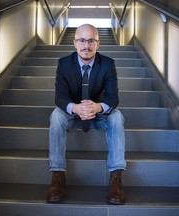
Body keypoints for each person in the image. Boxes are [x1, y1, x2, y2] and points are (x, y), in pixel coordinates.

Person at [46, 24, 126, 205]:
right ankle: (57, 177)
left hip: (97, 114)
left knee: (117, 117)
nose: (86, 46)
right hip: (73, 114)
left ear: (98, 43)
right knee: (56, 116)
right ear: (74, 43)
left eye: (91, 41)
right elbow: (60, 96)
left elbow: (113, 98)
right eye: (81, 40)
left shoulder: (107, 64)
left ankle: (116, 180)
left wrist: (98, 107)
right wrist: (75, 108)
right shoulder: (64, 63)